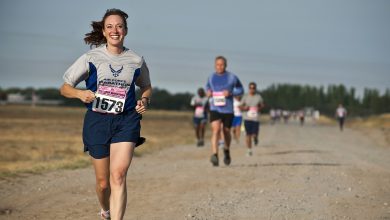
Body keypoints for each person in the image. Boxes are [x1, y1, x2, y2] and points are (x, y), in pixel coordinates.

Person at [60, 9, 152, 220]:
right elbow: (64, 88)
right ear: (103, 31)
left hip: (126, 120)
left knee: (118, 176)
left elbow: (146, 86)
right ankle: (105, 210)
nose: (115, 30)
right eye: (110, 26)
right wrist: (79, 94)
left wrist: (144, 100)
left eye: (119, 26)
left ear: (126, 30)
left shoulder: (136, 60)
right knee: (103, 184)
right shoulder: (91, 58)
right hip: (97, 121)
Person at [206, 56, 244, 166]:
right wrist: (208, 92)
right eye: (217, 64)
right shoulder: (211, 77)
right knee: (216, 130)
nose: (219, 67)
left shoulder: (232, 77)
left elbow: (241, 89)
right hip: (215, 108)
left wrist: (231, 93)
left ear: (226, 65)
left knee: (226, 131)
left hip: (228, 109)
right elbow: (207, 87)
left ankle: (226, 150)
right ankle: (215, 155)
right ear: (214, 65)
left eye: (222, 64)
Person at [241, 82, 264, 156]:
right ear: (248, 88)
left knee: (254, 134)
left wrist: (259, 108)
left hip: (255, 118)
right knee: (248, 135)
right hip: (247, 117)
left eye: (253, 88)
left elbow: (263, 105)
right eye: (250, 88)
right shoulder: (245, 96)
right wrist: (244, 108)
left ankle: (255, 138)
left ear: (255, 88)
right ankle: (249, 150)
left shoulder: (258, 97)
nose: (252, 89)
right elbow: (240, 106)